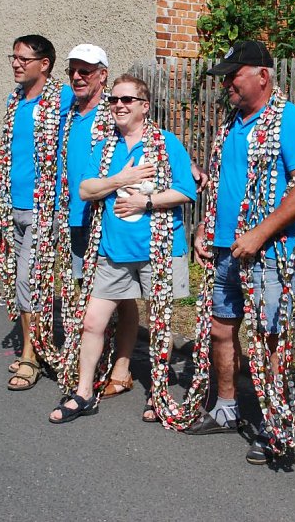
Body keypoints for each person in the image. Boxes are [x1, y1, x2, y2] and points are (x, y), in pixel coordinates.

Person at [189, 40, 295, 466]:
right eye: (224, 76)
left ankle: (273, 423)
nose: (226, 83)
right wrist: (207, 228)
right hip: (227, 249)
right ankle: (226, 407)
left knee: (270, 338)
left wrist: (260, 233)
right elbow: (224, 183)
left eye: (233, 75)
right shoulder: (232, 122)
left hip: (268, 253)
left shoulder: (289, 121)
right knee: (221, 330)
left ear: (262, 75)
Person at [48, 74, 197, 423]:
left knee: (160, 325)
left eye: (127, 100)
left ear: (144, 107)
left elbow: (186, 190)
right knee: (92, 322)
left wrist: (146, 202)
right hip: (111, 252)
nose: (119, 105)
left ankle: (157, 394)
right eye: (114, 99)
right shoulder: (105, 147)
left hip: (157, 251)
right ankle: (84, 393)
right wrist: (120, 180)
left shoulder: (166, 143)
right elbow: (85, 190)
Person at [0, 34, 73, 391]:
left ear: (45, 64)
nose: (15, 63)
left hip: (47, 208)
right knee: (21, 281)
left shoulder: (63, 98)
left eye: (24, 58)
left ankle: (31, 356)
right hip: (15, 206)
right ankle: (35, 347)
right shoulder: (16, 100)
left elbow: (109, 122)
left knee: (29, 279)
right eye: (13, 57)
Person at [61, 43, 139, 400]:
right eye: (73, 71)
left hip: (106, 219)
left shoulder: (114, 112)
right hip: (73, 217)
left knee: (122, 297)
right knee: (89, 293)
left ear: (102, 76)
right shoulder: (64, 112)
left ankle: (121, 367)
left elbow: (149, 143)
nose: (78, 77)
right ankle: (95, 361)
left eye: (86, 71)